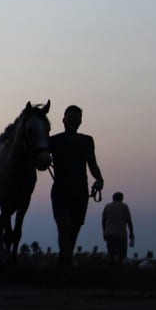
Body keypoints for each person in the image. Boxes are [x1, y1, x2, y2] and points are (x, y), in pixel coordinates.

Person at [49, 104, 103, 269]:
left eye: (75, 118)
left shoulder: (87, 141)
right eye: (69, 117)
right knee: (63, 226)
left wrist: (99, 179)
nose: (72, 121)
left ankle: (64, 261)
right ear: (63, 120)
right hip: (60, 191)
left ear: (80, 121)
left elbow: (92, 163)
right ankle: (66, 263)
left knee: (73, 230)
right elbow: (41, 159)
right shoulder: (53, 141)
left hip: (80, 191)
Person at [101, 191, 135, 265]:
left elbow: (103, 221)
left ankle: (111, 268)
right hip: (121, 234)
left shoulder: (107, 206)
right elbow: (129, 221)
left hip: (109, 233)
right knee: (122, 255)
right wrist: (131, 233)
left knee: (111, 254)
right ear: (121, 198)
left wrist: (104, 233)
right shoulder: (124, 206)